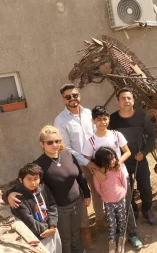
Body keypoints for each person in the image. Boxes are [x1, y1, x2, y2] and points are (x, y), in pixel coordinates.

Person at [7, 125, 91, 253]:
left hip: (77, 202)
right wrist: (9, 193)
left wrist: (87, 194)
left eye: (57, 141)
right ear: (42, 144)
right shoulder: (39, 164)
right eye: (50, 142)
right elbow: (25, 180)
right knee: (65, 238)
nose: (55, 145)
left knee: (76, 233)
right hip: (60, 208)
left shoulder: (67, 154)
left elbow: (80, 175)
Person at [82, 105, 143, 249]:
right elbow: (87, 160)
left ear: (108, 119)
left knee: (127, 206)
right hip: (105, 182)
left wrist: (118, 164)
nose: (102, 122)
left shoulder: (116, 135)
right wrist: (96, 171)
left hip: (122, 178)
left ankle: (132, 234)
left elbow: (127, 152)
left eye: (105, 119)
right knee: (111, 210)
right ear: (93, 121)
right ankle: (117, 234)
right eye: (99, 119)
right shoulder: (91, 141)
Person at [54, 83, 106, 248]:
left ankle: (100, 219)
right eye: (68, 96)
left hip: (95, 160)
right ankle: (85, 230)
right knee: (83, 197)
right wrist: (86, 162)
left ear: (79, 96)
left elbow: (96, 136)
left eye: (74, 95)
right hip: (77, 164)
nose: (72, 99)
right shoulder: (60, 120)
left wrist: (98, 159)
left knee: (98, 190)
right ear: (63, 99)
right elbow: (66, 147)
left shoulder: (89, 113)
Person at [108, 87, 157, 225]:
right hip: (122, 162)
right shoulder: (112, 119)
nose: (126, 101)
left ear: (133, 101)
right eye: (123, 98)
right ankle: (133, 210)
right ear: (118, 102)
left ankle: (147, 210)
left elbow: (152, 136)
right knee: (126, 189)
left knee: (145, 187)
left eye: (129, 98)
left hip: (139, 159)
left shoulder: (142, 117)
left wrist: (145, 152)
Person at [11, 163, 62, 253]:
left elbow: (52, 206)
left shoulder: (44, 189)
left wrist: (52, 226)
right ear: (21, 180)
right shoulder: (18, 198)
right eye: (29, 179)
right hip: (37, 237)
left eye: (36, 179)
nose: (33, 182)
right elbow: (28, 220)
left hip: (52, 230)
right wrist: (48, 229)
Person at [93, 147, 128, 253]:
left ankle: (121, 241)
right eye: (110, 160)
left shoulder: (118, 169)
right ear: (103, 162)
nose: (114, 161)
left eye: (114, 158)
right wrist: (105, 196)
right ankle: (112, 244)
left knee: (122, 222)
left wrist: (124, 193)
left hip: (121, 200)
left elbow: (124, 182)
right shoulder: (98, 174)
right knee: (112, 224)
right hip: (108, 203)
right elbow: (97, 188)